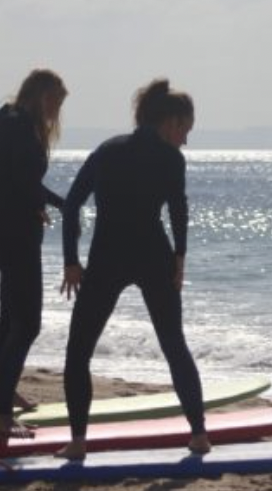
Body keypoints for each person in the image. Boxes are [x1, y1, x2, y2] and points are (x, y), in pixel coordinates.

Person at [58, 78, 210, 460]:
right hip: (154, 256)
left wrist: (71, 260)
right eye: (186, 130)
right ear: (171, 122)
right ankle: (199, 436)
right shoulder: (171, 159)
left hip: (107, 258)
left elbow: (72, 204)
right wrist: (180, 257)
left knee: (78, 352)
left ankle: (78, 442)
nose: (185, 140)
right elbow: (178, 210)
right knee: (174, 345)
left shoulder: (108, 150)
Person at [0, 69, 68, 441]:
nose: (56, 110)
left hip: (6, 230)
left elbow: (19, 180)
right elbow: (19, 179)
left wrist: (52, 203)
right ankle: (1, 414)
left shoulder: (10, 122)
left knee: (9, 325)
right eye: (56, 101)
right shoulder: (18, 126)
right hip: (15, 235)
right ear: (42, 95)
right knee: (27, 325)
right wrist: (45, 202)